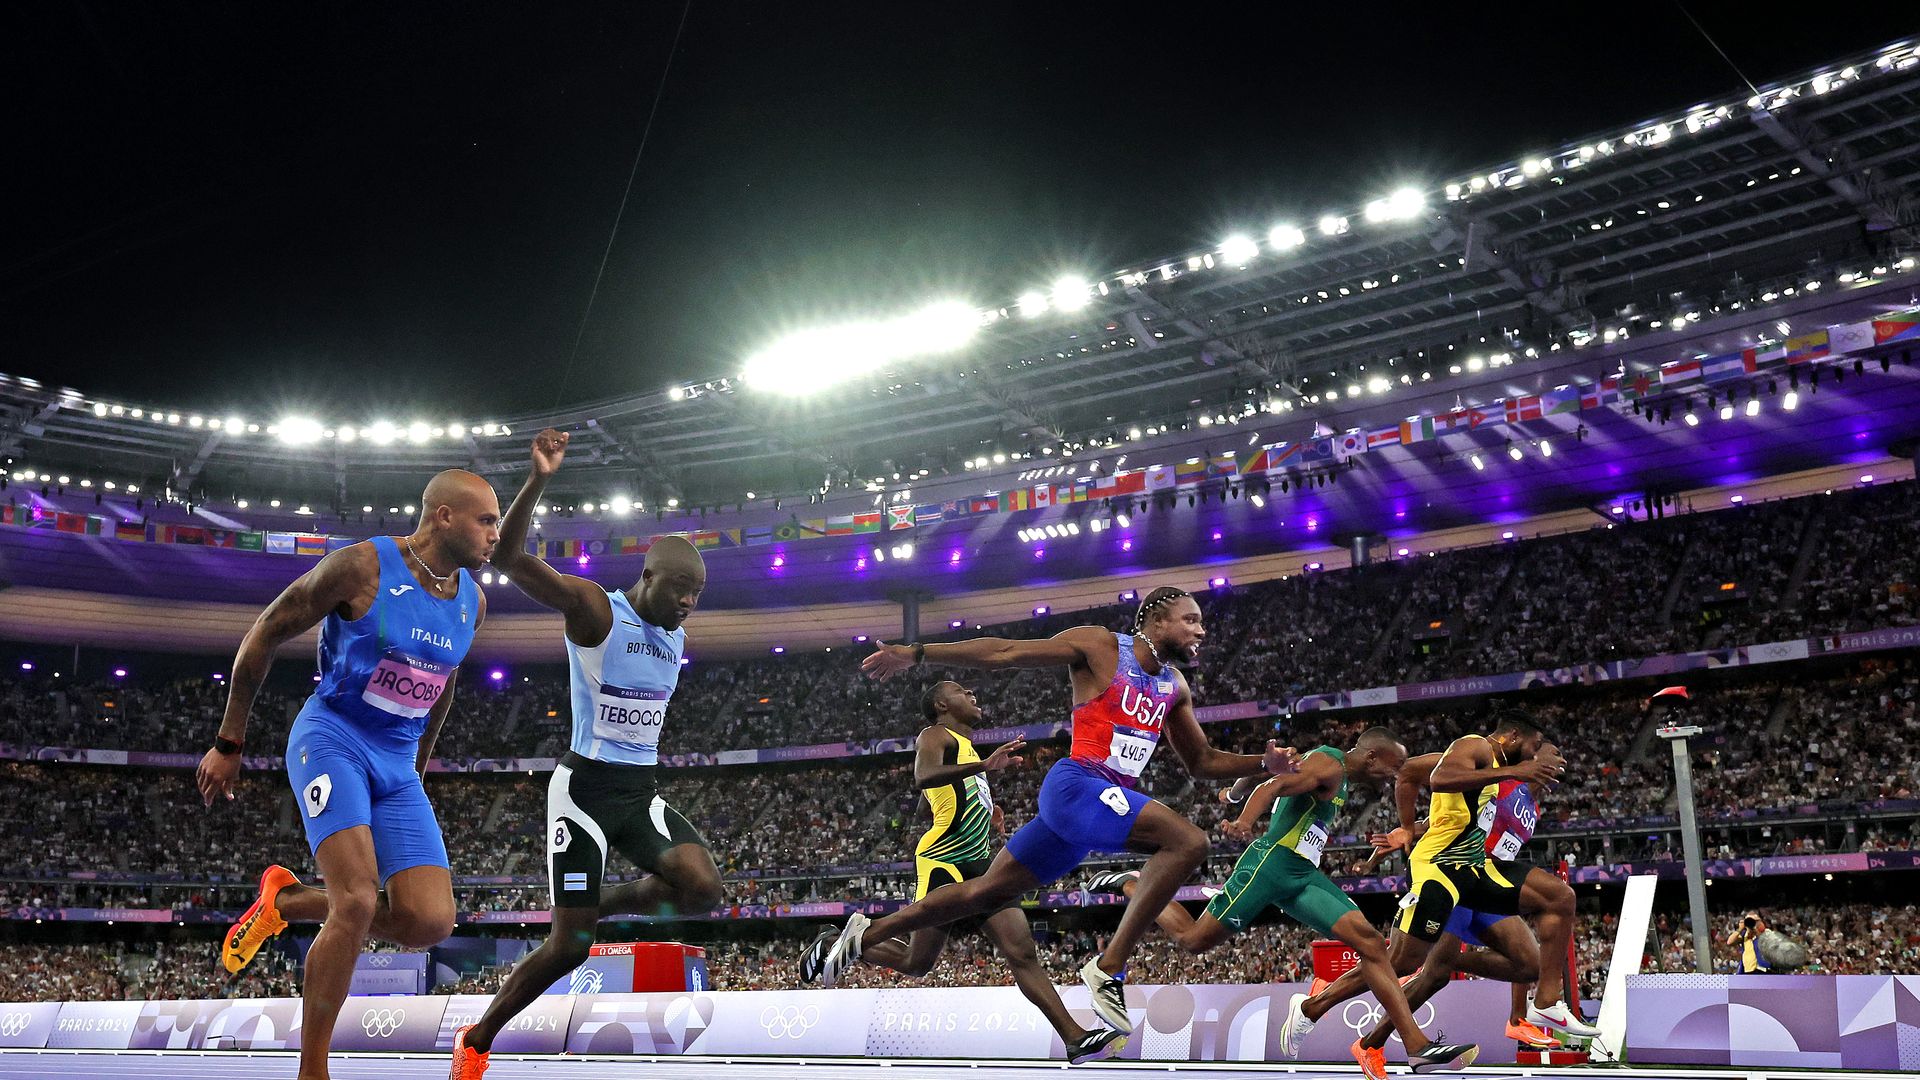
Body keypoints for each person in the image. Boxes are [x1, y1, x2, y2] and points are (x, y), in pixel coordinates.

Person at [803, 587, 1297, 1037]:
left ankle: (868, 931)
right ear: (1157, 619)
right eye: (1190, 619)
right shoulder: (1100, 646)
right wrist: (918, 653)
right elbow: (1005, 652)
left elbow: (1203, 761)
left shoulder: (1175, 688)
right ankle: (1109, 967)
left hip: (1086, 817)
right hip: (1077, 786)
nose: (1200, 629)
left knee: (984, 892)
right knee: (1190, 842)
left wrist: (1263, 763)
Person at [196, 469, 498, 1080]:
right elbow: (265, 633)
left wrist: (419, 763)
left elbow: (443, 683)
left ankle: (285, 901)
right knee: (357, 900)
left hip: (397, 760)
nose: (497, 534)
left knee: (430, 921)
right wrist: (230, 741)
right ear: (443, 516)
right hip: (333, 737)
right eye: (485, 520)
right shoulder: (360, 568)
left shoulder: (474, 599)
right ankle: (313, 1070)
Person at [448, 429, 722, 1079]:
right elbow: (509, 558)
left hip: (639, 793)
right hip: (585, 791)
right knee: (571, 946)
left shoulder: (673, 634)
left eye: (697, 594)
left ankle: (607, 897)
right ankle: (478, 1039)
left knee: (705, 889)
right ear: (648, 576)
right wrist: (539, 478)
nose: (688, 602)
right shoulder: (597, 610)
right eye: (680, 588)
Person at [1086, 729, 1478, 1072]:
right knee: (1193, 939)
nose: (1398, 772)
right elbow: (1271, 786)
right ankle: (1135, 885)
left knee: (1373, 944)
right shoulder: (1329, 764)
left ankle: (1417, 1047)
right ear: (1372, 755)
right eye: (1396, 764)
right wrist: (1244, 821)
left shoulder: (1339, 776)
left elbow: (1263, 774)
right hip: (1269, 867)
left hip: (1302, 874)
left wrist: (1232, 793)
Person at [825, 680, 1126, 1064]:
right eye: (962, 691)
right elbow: (923, 776)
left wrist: (985, 810)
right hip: (945, 857)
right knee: (920, 963)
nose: (973, 694)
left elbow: (926, 803)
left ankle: (1074, 1038)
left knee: (1018, 952)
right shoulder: (935, 734)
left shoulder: (965, 748)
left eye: (972, 689)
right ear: (940, 704)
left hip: (980, 860)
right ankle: (850, 938)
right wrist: (982, 768)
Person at [1286, 715, 1596, 1080]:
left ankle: (1535, 1006)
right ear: (1521, 743)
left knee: (1529, 958)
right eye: (1550, 751)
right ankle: (1322, 1013)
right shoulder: (1484, 757)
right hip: (1447, 873)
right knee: (1409, 965)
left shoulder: (1530, 803)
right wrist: (1406, 829)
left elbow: (1461, 817)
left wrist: (1413, 830)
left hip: (1482, 877)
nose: (1559, 761)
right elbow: (1419, 778)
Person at [1344, 750, 1570, 1066]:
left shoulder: (1532, 808)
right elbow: (1438, 822)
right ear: (1532, 756)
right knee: (1427, 973)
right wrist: (1380, 854)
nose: (1557, 767)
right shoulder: (1498, 779)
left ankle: (1515, 1017)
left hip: (1488, 884)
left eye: (1560, 765)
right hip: (1455, 876)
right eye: (1551, 758)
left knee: (1529, 963)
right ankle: (1350, 1026)